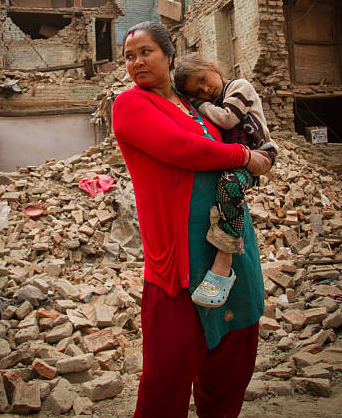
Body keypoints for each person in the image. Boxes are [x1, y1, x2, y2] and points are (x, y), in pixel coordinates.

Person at [112, 21, 271, 418]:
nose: (136, 62)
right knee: (167, 376)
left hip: (230, 246)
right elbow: (181, 148)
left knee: (231, 366)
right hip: (179, 258)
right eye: (129, 56)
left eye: (145, 52)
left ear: (169, 55)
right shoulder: (130, 105)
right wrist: (244, 158)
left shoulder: (194, 102)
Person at [174, 55, 278, 309]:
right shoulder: (215, 99)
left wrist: (198, 104)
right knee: (221, 188)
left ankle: (225, 260)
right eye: (198, 91)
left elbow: (227, 119)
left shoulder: (239, 87)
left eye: (203, 80)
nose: (206, 89)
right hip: (235, 160)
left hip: (259, 154)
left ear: (211, 67)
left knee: (230, 186)